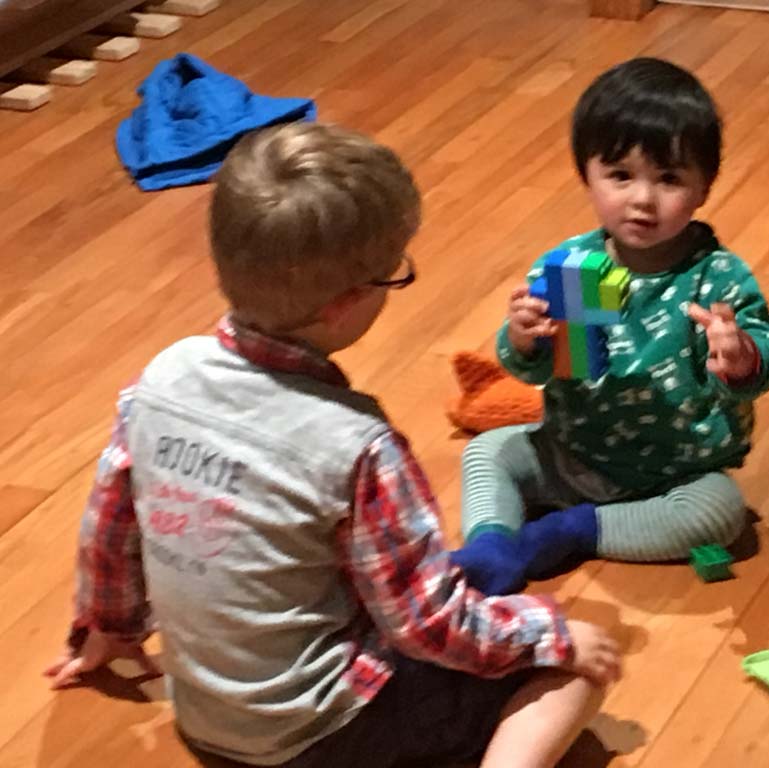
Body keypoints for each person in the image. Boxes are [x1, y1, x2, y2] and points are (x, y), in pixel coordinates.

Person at [44, 122, 621, 768]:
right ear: (345, 304)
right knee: (574, 674)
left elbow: (111, 524)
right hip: (325, 735)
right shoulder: (359, 445)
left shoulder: (160, 379)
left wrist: (108, 626)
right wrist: (552, 635)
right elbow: (427, 626)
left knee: (468, 581)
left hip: (205, 722)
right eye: (393, 274)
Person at [452, 58, 769, 596]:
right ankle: (491, 545)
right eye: (620, 176)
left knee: (721, 512)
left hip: (677, 472)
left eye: (669, 179)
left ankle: (570, 532)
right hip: (572, 451)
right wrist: (522, 339)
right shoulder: (573, 266)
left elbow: (763, 364)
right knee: (487, 451)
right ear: (587, 175)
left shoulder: (717, 275)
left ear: (704, 187)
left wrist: (742, 357)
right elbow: (541, 368)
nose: (642, 199)